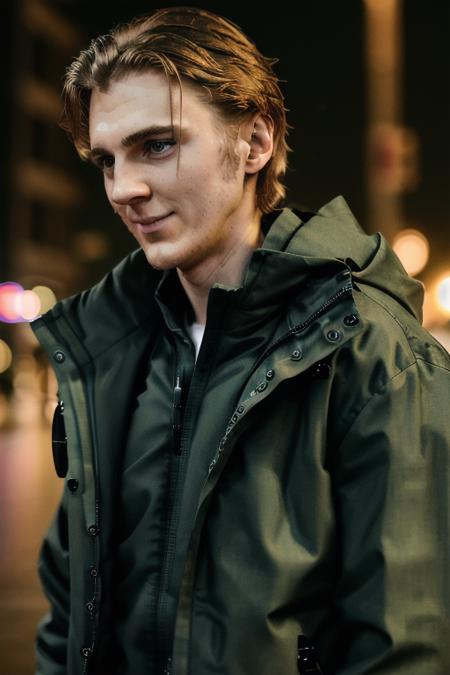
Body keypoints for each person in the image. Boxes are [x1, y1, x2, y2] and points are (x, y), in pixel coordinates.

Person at [31, 6, 450, 675]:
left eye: (158, 145)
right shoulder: (112, 351)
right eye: (106, 160)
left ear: (255, 141)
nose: (123, 189)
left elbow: (404, 649)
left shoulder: (375, 354)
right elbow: (69, 619)